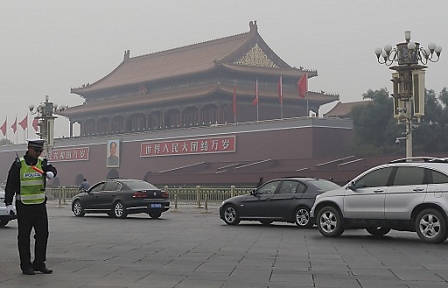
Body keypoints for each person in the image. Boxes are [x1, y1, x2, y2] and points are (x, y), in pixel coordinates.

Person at [4, 139, 57, 275]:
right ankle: (26, 265)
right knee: (24, 237)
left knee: (43, 235)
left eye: (40, 151)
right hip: (24, 206)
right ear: (29, 148)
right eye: (37, 150)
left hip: (39, 206)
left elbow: (51, 169)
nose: (39, 153)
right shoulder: (18, 164)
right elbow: (11, 184)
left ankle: (39, 263)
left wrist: (52, 173)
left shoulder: (41, 163)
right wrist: (8, 203)